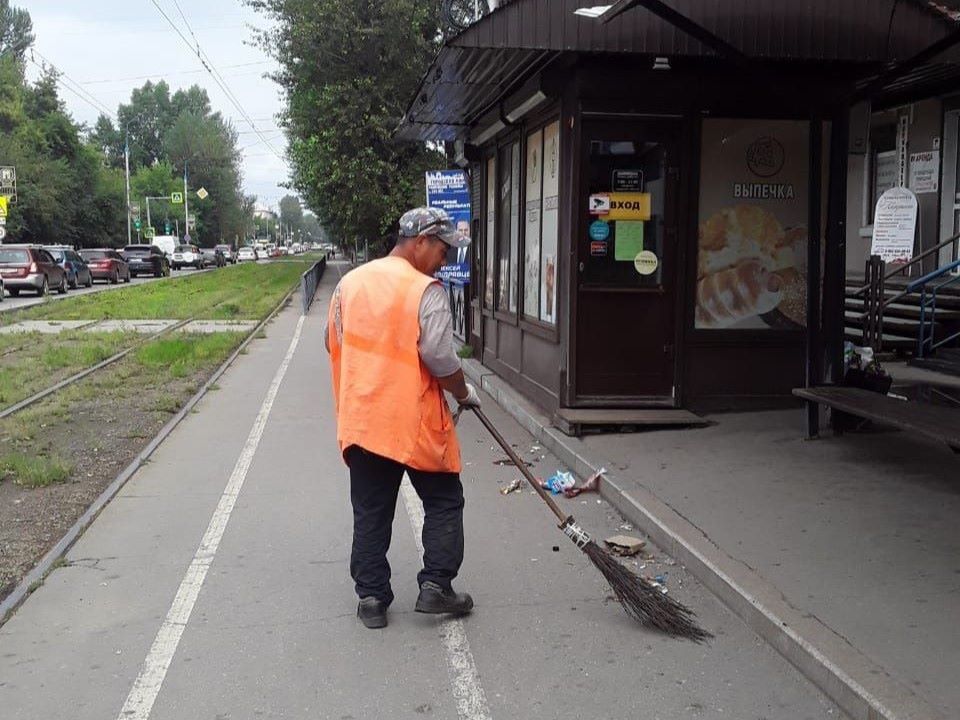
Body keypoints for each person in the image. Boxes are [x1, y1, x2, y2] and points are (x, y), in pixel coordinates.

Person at [326, 206, 480, 629]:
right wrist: (464, 393)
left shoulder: (349, 284)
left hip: (363, 418)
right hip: (413, 423)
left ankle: (372, 599)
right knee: (445, 500)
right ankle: (435, 587)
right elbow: (438, 356)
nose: (446, 260)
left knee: (371, 510)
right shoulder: (424, 290)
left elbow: (332, 341)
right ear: (421, 242)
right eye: (444, 250)